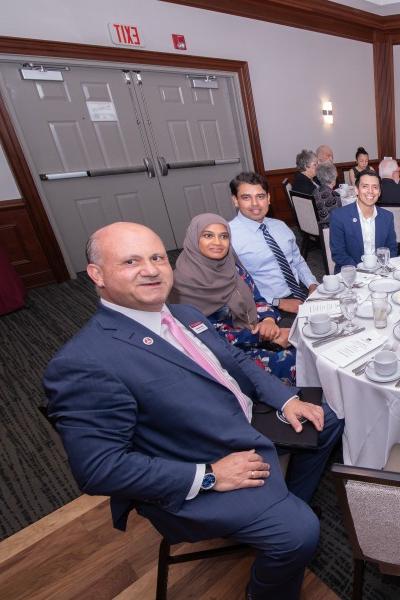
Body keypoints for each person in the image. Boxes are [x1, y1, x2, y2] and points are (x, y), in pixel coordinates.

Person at [44, 221, 343, 600]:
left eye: (156, 257)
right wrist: (208, 476)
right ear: (96, 275)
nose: (151, 269)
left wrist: (287, 400)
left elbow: (238, 361)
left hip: (242, 421)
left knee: (329, 417)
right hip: (200, 458)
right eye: (131, 261)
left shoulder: (186, 316)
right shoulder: (85, 361)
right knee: (298, 534)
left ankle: (285, 499)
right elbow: (98, 469)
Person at [171, 214, 296, 384]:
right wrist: (265, 338)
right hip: (223, 353)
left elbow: (257, 298)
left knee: (307, 342)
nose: (217, 242)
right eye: (208, 235)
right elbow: (208, 337)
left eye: (224, 236)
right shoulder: (182, 284)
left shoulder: (231, 265)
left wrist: (268, 321)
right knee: (292, 362)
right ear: (194, 238)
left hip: (255, 331)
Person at [229, 172, 318, 312]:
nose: (255, 204)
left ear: (268, 198)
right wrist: (278, 302)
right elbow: (232, 287)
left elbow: (297, 261)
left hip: (301, 291)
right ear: (235, 200)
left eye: (260, 196)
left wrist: (312, 285)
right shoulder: (228, 238)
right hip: (265, 306)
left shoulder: (280, 226)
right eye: (246, 197)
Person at [330, 171, 397, 268]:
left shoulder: (387, 216)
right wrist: (360, 270)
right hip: (352, 272)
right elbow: (338, 254)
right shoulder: (339, 216)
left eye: (375, 187)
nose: (370, 191)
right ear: (356, 190)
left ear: (379, 192)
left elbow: (392, 249)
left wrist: (382, 268)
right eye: (365, 186)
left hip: (380, 271)